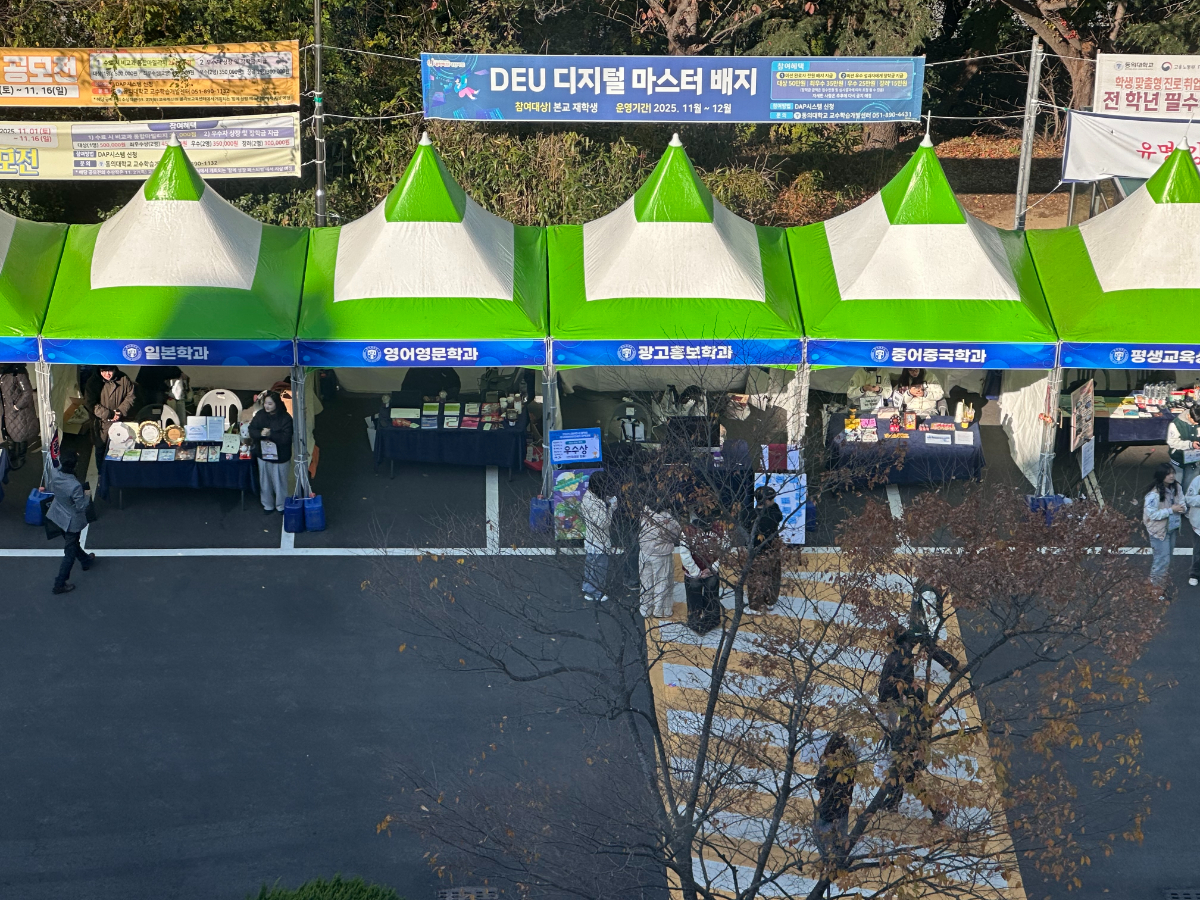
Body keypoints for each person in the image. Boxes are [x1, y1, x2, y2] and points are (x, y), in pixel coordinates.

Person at [47, 449, 95, 595]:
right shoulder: (74, 485)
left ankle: (85, 560)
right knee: (70, 552)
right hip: (72, 521)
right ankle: (59, 583)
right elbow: (80, 506)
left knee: (72, 544)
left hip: (58, 515)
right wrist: (87, 495)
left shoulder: (54, 473)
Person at [248, 391, 294, 515]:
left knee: (280, 483)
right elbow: (251, 429)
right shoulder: (260, 415)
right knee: (265, 482)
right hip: (263, 454)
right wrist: (260, 434)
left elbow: (286, 438)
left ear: (276, 404)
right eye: (265, 403)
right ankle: (267, 504)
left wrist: (270, 434)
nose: (267, 406)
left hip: (281, 456)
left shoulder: (285, 418)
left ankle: (281, 505)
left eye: (270, 404)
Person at [84, 365, 137, 472]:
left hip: (119, 420)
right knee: (101, 449)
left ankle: (118, 472)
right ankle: (101, 473)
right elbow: (90, 404)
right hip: (101, 422)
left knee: (121, 445)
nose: (107, 374)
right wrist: (109, 414)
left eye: (110, 371)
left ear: (114, 370)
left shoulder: (123, 378)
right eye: (104, 371)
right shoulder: (93, 382)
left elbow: (131, 396)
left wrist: (120, 411)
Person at [813, 733, 857, 860]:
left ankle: (826, 860)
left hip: (827, 806)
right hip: (843, 806)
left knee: (821, 836)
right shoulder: (851, 763)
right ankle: (839, 860)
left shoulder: (828, 764)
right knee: (840, 838)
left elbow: (818, 783)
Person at [679, 511, 724, 634]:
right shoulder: (719, 528)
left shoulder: (687, 531)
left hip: (693, 574)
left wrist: (696, 572)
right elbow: (723, 550)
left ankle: (695, 622)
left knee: (693, 599)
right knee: (712, 598)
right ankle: (712, 621)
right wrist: (712, 568)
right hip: (712, 572)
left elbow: (685, 554)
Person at [1145, 462, 1185, 585]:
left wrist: (1182, 508)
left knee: (1167, 558)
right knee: (1161, 560)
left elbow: (1182, 502)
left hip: (1172, 528)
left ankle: (1157, 581)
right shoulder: (1154, 494)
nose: (1171, 476)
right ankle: (1156, 586)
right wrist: (1171, 510)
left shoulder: (1177, 487)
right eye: (1168, 474)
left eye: (1172, 473)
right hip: (1159, 531)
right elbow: (1152, 515)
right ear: (1161, 475)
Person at [639, 502, 681, 619]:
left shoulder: (645, 514)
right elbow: (676, 533)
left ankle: (645, 609)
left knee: (646, 582)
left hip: (644, 553)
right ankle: (661, 610)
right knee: (662, 582)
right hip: (662, 555)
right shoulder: (667, 520)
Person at [747, 486, 784, 614]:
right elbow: (779, 515)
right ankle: (770, 601)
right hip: (772, 549)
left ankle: (755, 606)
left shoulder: (750, 515)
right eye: (771, 499)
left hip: (755, 551)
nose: (773, 501)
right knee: (773, 576)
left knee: (755, 578)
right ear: (767, 501)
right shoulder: (773, 514)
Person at [580, 472, 616, 602]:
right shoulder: (596, 503)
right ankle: (595, 592)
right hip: (599, 541)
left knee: (590, 565)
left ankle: (587, 586)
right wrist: (611, 508)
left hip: (591, 539)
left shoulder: (587, 497)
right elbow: (603, 523)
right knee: (599, 568)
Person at [0, 363, 38, 470]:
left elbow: (27, 392)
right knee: (9, 432)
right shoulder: (3, 372)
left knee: (20, 434)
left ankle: (21, 457)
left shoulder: (18, 371)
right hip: (6, 409)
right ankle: (11, 455)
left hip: (18, 411)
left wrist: (16, 407)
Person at [1166, 404, 1200, 492]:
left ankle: (1186, 500)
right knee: (1175, 488)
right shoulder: (1176, 424)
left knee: (1190, 488)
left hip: (1194, 461)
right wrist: (1190, 445)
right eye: (1195, 422)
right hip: (1178, 460)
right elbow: (1172, 442)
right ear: (1189, 416)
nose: (1197, 424)